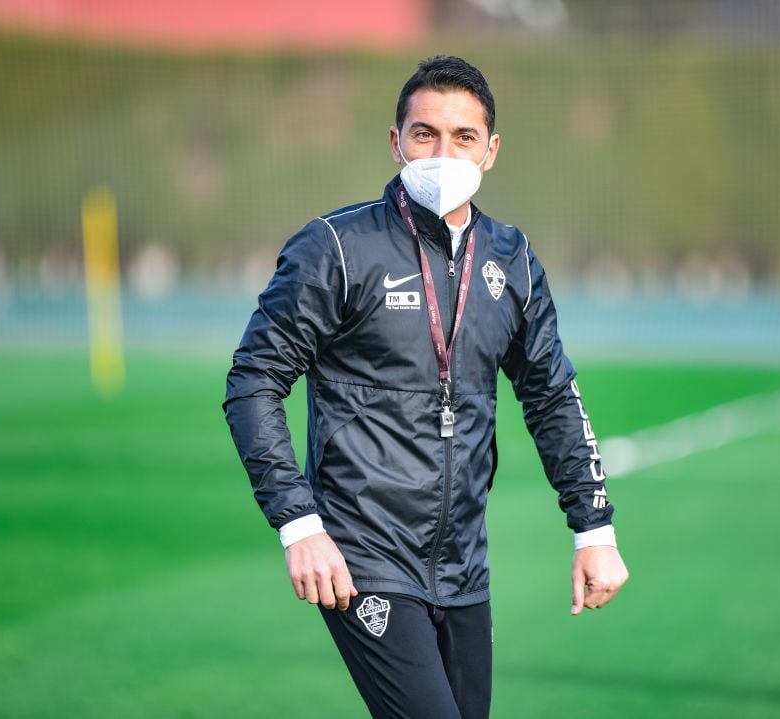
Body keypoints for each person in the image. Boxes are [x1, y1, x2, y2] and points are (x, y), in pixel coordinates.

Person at [223, 55, 629, 719]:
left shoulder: (511, 258)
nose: (443, 152)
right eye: (425, 134)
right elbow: (254, 380)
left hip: (464, 561)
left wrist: (594, 528)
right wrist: (298, 521)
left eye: (463, 137)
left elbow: (552, 393)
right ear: (395, 141)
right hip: (365, 554)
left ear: (491, 151)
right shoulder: (337, 246)